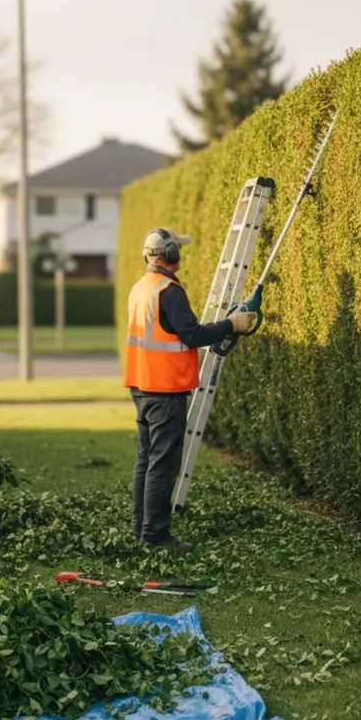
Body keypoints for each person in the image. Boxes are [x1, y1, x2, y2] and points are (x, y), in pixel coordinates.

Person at [124, 227, 257, 551]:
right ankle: (155, 537)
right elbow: (192, 335)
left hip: (142, 386)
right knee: (163, 463)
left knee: (146, 460)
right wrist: (231, 325)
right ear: (170, 255)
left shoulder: (141, 287)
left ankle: (141, 529)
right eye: (178, 251)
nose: (180, 256)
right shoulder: (168, 290)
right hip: (164, 389)